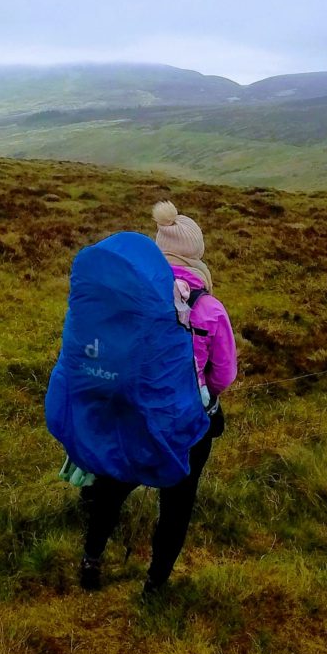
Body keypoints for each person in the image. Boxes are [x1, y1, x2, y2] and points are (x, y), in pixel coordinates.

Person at [79, 201, 238, 596]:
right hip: (187, 423)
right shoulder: (210, 308)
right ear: (196, 253)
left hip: (131, 413)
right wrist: (204, 396)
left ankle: (92, 559)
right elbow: (224, 374)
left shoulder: (129, 296)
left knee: (112, 486)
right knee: (178, 503)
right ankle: (155, 584)